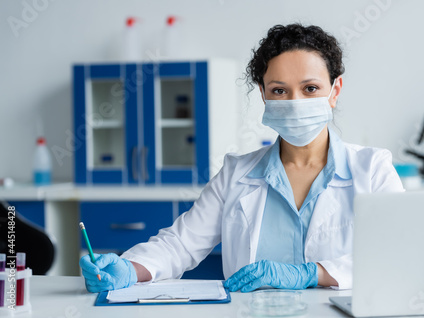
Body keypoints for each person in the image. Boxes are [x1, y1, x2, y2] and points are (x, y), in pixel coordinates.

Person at [80, 23, 404, 293]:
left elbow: (398, 253)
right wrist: (129, 267)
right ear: (263, 93)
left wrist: (312, 274)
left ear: (334, 90)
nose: (294, 101)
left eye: (310, 88)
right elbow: (180, 245)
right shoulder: (237, 173)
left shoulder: (372, 170)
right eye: (279, 90)